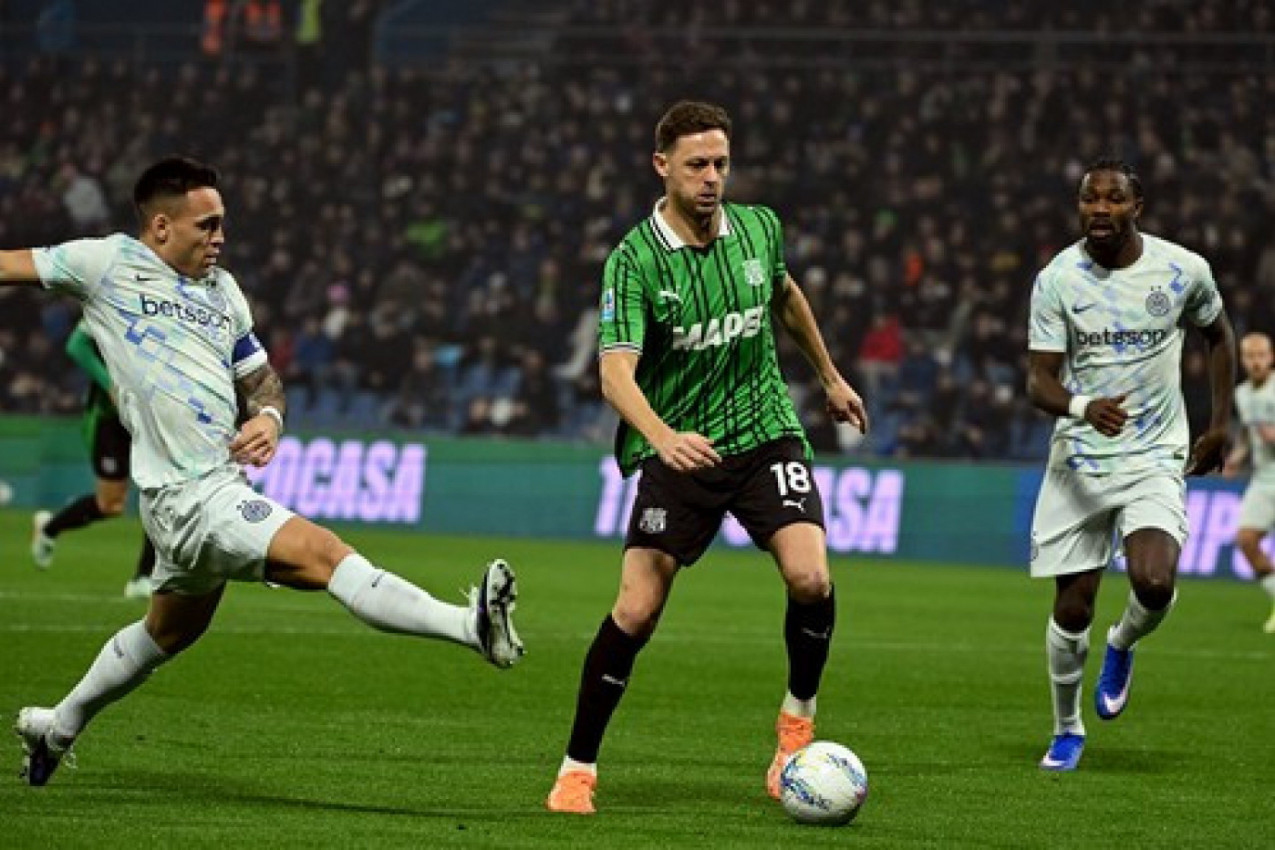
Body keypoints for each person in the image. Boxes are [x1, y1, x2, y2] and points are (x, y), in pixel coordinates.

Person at [1, 156, 524, 787]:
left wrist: (270, 418)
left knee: (166, 633)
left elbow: (262, 381)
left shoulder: (223, 292)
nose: (220, 237)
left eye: (222, 223)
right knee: (326, 556)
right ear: (161, 226)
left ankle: (57, 726)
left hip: (210, 489)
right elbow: (10, 264)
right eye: (207, 224)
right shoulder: (105, 263)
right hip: (189, 497)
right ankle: (469, 627)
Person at [545, 101, 868, 814]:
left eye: (720, 163)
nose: (712, 177)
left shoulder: (759, 228)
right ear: (662, 166)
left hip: (763, 432)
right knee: (636, 610)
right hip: (680, 451)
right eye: (696, 165)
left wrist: (829, 377)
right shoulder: (634, 261)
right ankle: (576, 770)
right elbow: (614, 374)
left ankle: (796, 724)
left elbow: (784, 295)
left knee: (811, 577)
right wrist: (662, 437)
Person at [1026, 158, 1236, 772]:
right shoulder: (1057, 280)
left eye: (1113, 198)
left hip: (1153, 453)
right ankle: (1067, 729)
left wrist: (1220, 424)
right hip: (1081, 458)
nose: (1099, 208)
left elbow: (1219, 336)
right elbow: (1039, 381)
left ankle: (1122, 642)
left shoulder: (1182, 270)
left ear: (1136, 206)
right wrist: (1083, 406)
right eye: (1089, 198)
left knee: (1154, 582)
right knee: (1073, 608)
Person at [30, 320, 157, 598]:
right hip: (109, 419)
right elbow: (76, 345)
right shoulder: (114, 301)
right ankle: (49, 528)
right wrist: (110, 384)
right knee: (110, 505)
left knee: (159, 490)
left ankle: (143, 577)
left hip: (152, 417)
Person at [1223, 331, 1275, 632]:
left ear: (1271, 357)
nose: (1256, 362)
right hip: (1263, 480)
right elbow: (1247, 434)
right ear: (1242, 360)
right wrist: (1236, 457)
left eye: (1261, 356)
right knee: (1246, 540)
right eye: (1250, 356)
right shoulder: (1242, 394)